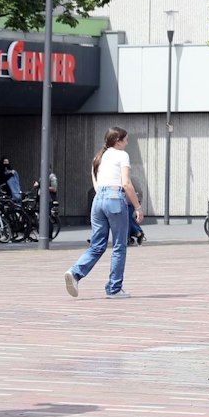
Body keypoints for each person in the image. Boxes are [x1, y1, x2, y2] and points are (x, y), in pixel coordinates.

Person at [65, 127, 141, 299]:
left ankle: (75, 273)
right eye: (126, 140)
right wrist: (137, 207)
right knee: (119, 246)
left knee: (97, 245)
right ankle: (114, 288)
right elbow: (127, 183)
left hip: (98, 200)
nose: (127, 143)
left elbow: (97, 186)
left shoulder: (98, 157)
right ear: (118, 141)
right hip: (115, 198)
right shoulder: (122, 155)